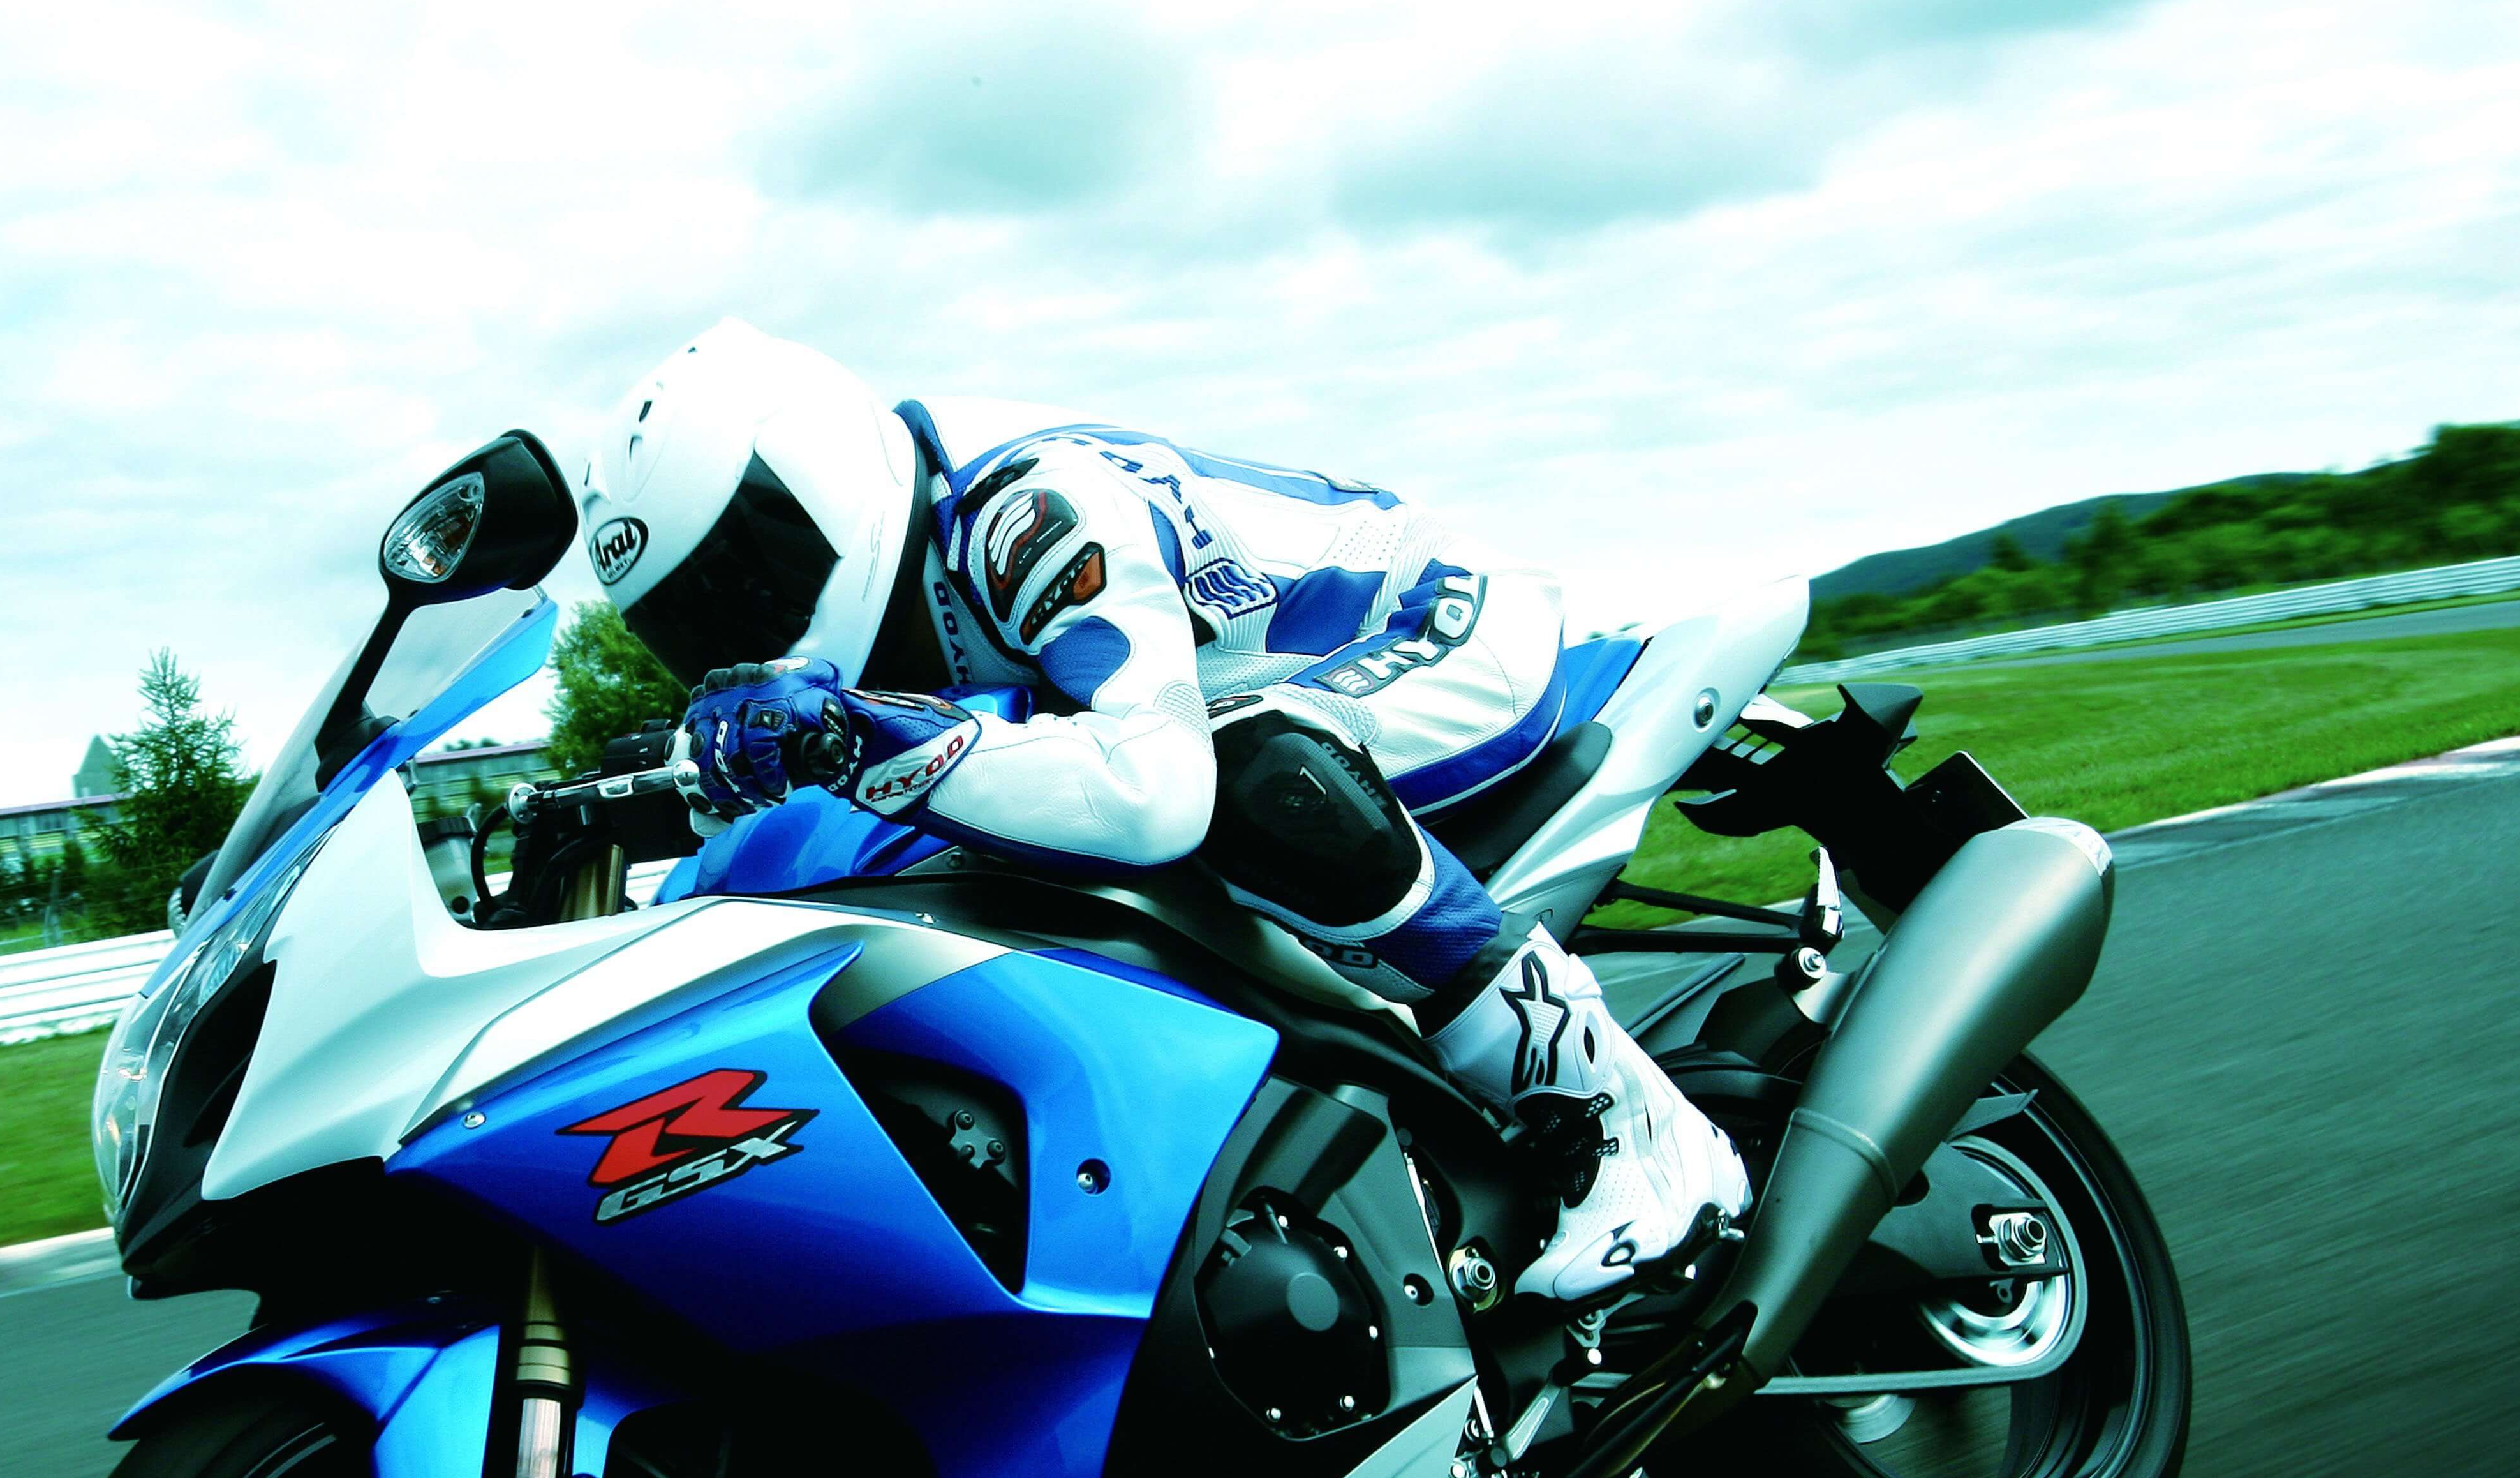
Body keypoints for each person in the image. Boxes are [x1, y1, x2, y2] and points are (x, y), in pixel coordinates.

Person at [578, 318, 1746, 1306]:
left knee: (1253, 780)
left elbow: (1152, 794)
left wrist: (859, 740)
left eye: (746, 576)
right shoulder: (912, 567)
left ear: (819, 477)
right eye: (694, 619)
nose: (737, 625)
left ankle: (1628, 1122)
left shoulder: (1022, 513)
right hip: (1246, 690)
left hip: (1426, 629)